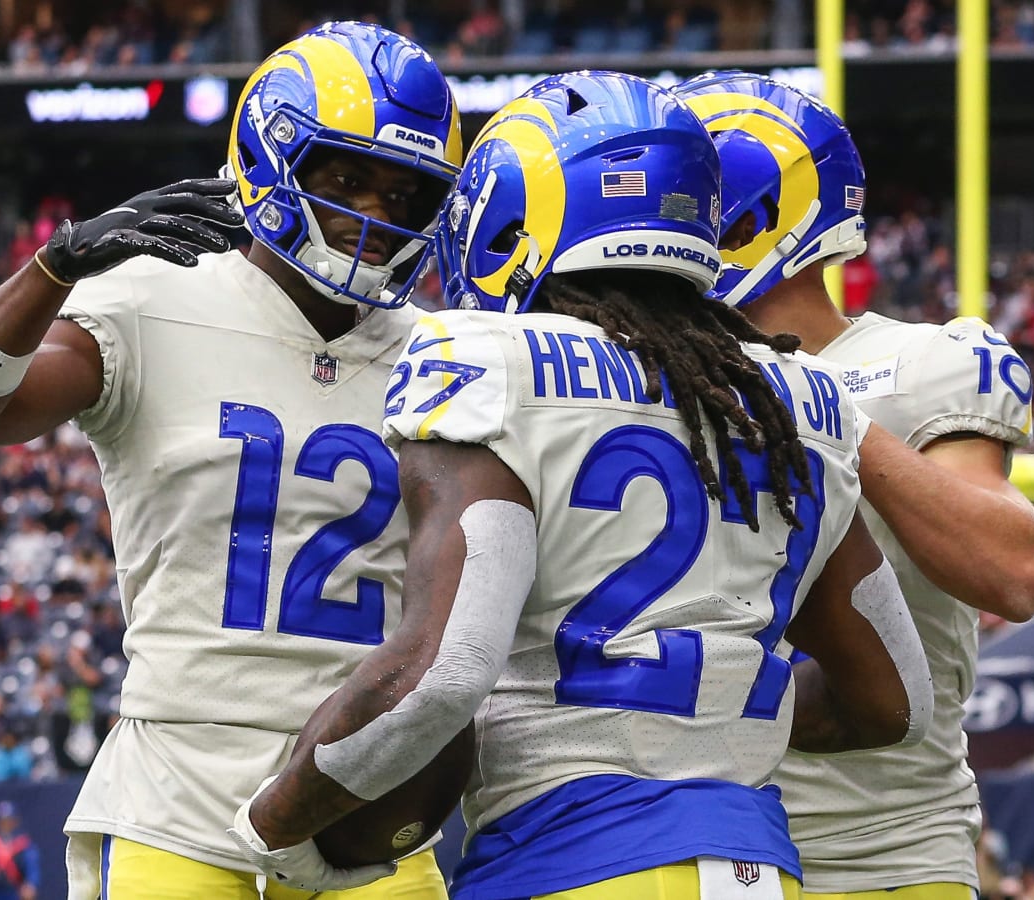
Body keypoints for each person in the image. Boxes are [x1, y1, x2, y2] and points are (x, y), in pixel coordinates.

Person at [228, 70, 933, 899]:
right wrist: (719, 707)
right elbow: (894, 701)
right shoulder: (799, 397)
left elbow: (446, 673)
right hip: (755, 867)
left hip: (570, 859)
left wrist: (271, 828)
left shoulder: (485, 360)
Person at [0, 20, 461, 900]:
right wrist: (52, 267)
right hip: (179, 795)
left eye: (406, 196)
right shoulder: (152, 297)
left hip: (362, 803)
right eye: (347, 179)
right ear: (272, 163)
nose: (375, 217)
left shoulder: (444, 352)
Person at [675, 71, 1034, 899]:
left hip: (876, 852)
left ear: (744, 217)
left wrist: (824, 413)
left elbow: (1013, 572)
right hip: (693, 838)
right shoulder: (651, 379)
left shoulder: (922, 365)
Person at [0, 802, 39, 900]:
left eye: (9, 821)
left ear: (15, 822)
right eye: (3, 822)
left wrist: (31, 884)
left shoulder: (23, 844)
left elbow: (31, 866)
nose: (6, 825)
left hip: (14, 891)